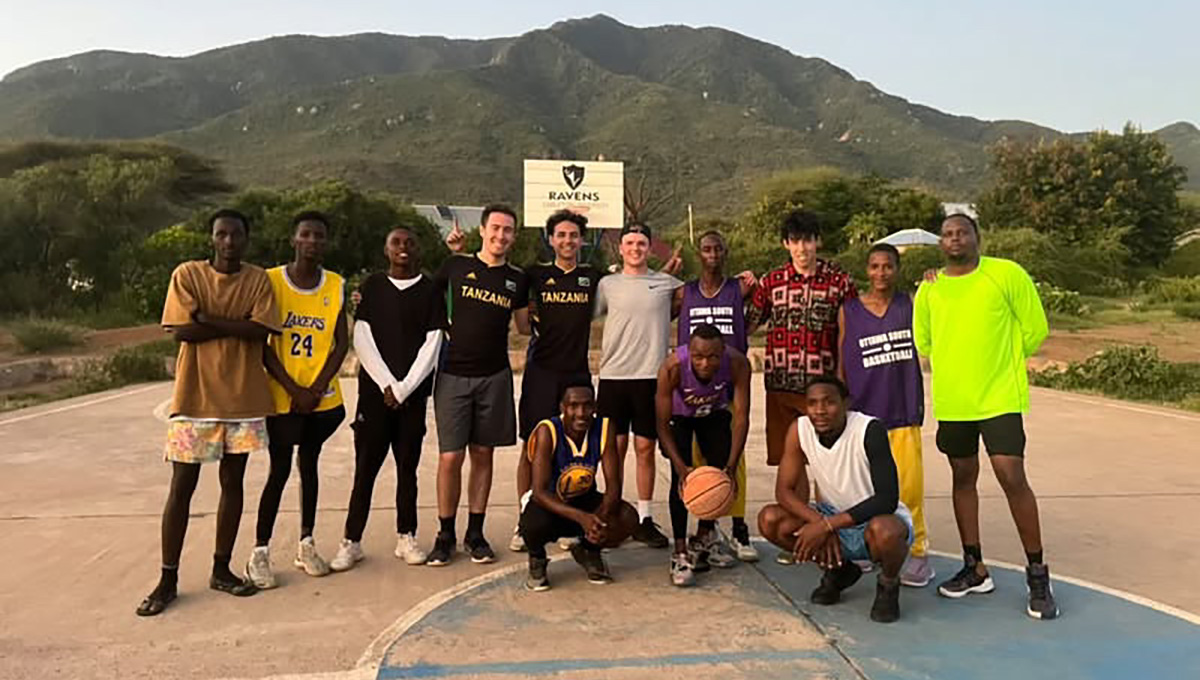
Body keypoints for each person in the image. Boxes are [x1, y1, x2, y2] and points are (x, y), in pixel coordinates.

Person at [136, 209, 281, 616]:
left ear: (246, 238)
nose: (230, 241)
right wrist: (237, 323)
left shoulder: (258, 279)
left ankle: (221, 568)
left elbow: (261, 331)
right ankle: (168, 577)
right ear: (212, 238)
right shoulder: (187, 275)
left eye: (237, 234)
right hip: (195, 397)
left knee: (232, 482)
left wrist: (208, 319)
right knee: (181, 487)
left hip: (243, 399)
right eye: (222, 234)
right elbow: (182, 331)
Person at [914, 213, 1058, 620]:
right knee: (963, 479)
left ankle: (1037, 575)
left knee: (1013, 477)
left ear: (978, 237)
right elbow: (924, 340)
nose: (954, 238)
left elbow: (1035, 328)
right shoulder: (930, 289)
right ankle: (974, 567)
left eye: (962, 231)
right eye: (947, 233)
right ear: (940, 243)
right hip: (955, 402)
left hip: (999, 399)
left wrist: (1003, 364)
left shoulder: (1006, 274)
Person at [330, 227, 447, 572]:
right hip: (374, 400)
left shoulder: (430, 290)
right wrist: (386, 385)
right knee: (365, 470)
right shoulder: (372, 287)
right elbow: (362, 338)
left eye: (410, 242)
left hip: (411, 399)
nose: (403, 248)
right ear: (386, 249)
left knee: (407, 469)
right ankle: (351, 541)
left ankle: (406, 536)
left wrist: (405, 388)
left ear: (419, 250)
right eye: (396, 242)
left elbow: (433, 341)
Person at [245, 211, 349, 588]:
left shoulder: (335, 285)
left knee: (310, 466)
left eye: (320, 236)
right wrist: (293, 389)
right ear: (294, 240)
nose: (313, 242)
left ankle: (306, 542)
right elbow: (264, 345)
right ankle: (259, 551)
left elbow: (341, 343)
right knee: (279, 469)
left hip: (319, 398)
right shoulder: (271, 281)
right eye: (306, 235)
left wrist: (317, 387)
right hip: (284, 396)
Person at [757, 378, 913, 623]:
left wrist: (828, 525)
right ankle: (839, 570)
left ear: (846, 403)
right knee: (770, 520)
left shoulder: (869, 430)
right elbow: (784, 491)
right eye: (812, 403)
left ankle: (888, 583)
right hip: (830, 515)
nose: (819, 410)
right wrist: (820, 522)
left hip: (873, 519)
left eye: (829, 402)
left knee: (887, 531)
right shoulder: (799, 430)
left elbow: (887, 499)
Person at [428, 204, 531, 566]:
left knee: (483, 455)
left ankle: (475, 532)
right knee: (450, 456)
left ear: (513, 237)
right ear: (482, 230)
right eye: (495, 228)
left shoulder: (517, 280)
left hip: (495, 376)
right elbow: (426, 298)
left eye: (508, 230)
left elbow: (523, 327)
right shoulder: (456, 265)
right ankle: (445, 533)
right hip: (453, 373)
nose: (501, 235)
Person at [837, 243, 933, 588]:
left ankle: (919, 552)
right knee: (864, 489)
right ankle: (864, 547)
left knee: (909, 489)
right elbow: (841, 358)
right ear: (867, 270)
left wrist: (935, 282)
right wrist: (840, 400)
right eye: (875, 266)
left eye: (888, 266)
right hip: (864, 413)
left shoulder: (912, 304)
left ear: (897, 269)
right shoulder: (849, 310)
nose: (881, 273)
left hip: (902, 409)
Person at [508, 210, 600, 553]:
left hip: (576, 375)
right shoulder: (534, 275)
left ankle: (568, 521)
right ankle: (525, 521)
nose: (567, 240)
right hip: (542, 372)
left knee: (575, 451)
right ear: (550, 239)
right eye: (561, 235)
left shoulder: (592, 276)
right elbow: (519, 325)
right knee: (532, 449)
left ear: (582, 240)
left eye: (573, 235)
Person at [594, 222, 683, 549]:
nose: (635, 248)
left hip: (650, 379)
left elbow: (693, 300)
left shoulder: (666, 283)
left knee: (645, 449)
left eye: (641, 243)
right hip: (614, 377)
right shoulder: (607, 284)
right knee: (613, 450)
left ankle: (644, 518)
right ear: (620, 248)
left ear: (649, 247)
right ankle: (612, 510)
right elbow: (583, 316)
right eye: (629, 242)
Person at [747, 209, 857, 468]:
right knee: (789, 462)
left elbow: (851, 334)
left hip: (823, 387)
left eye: (807, 240)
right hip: (780, 387)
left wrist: (845, 378)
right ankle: (798, 511)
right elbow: (748, 325)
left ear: (817, 241)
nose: (802, 248)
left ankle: (827, 511)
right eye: (795, 241)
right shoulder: (771, 283)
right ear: (786, 243)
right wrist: (734, 291)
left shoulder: (839, 282)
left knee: (828, 463)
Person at [676, 230, 758, 562]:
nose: (712, 253)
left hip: (730, 383)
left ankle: (739, 528)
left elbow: (758, 317)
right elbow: (655, 301)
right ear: (700, 253)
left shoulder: (740, 289)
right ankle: (706, 527)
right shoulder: (685, 293)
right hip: (695, 386)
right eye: (707, 249)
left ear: (726, 252)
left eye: (718, 249)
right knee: (698, 459)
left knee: (732, 459)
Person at [519, 381, 639, 590]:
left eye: (587, 406)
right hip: (550, 503)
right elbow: (538, 492)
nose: (581, 413)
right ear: (562, 407)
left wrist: (598, 521)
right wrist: (583, 518)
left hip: (584, 499)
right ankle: (537, 559)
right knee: (532, 524)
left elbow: (614, 486)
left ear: (595, 407)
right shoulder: (548, 430)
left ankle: (588, 550)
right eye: (573, 406)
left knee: (627, 517)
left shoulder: (604, 428)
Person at [656, 324, 751, 586]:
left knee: (718, 472)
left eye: (712, 357)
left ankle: (705, 536)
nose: (705, 363)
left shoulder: (738, 364)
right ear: (689, 351)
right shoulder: (672, 367)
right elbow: (661, 424)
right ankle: (680, 551)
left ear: (723, 352)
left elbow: (741, 418)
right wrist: (682, 467)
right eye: (698, 356)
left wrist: (731, 466)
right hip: (680, 417)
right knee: (682, 481)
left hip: (714, 413)